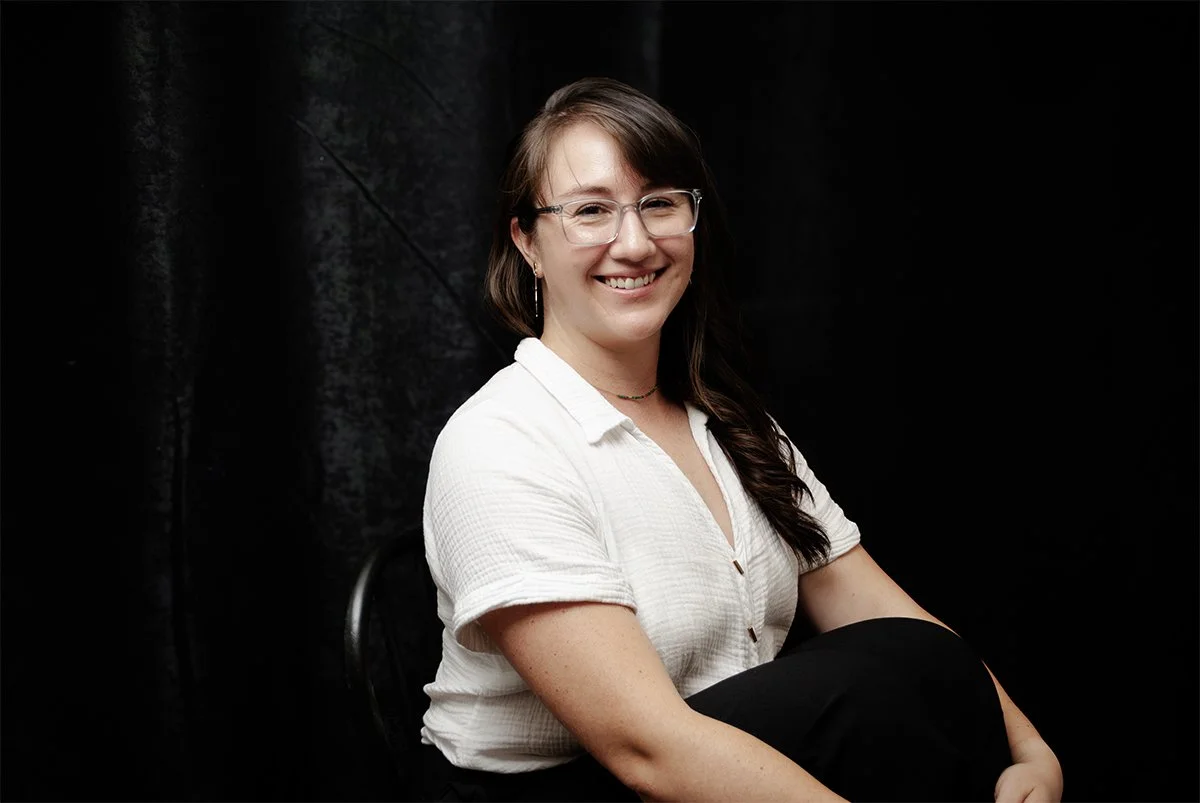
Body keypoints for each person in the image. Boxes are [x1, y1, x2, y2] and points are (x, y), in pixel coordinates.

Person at [418, 77, 1063, 802]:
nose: (634, 242)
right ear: (528, 241)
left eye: (660, 203)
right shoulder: (501, 442)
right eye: (591, 211)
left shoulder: (733, 425)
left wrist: (1033, 751)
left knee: (909, 661)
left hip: (715, 761)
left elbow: (894, 620)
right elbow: (648, 748)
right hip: (584, 781)